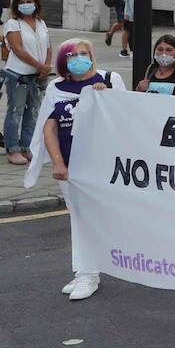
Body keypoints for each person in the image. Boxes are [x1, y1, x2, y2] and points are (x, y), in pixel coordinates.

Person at [43, 39, 125, 301]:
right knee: (79, 219)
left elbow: (126, 119)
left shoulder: (110, 80)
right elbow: (49, 128)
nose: (78, 58)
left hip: (102, 166)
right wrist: (58, 162)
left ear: (92, 56)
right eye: (72, 55)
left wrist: (106, 97)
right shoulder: (56, 88)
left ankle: (90, 272)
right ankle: (86, 273)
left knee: (94, 219)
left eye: (83, 53)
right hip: (71, 168)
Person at [2, 0, 51, 165]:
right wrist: (39, 65)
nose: (26, 4)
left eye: (30, 1)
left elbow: (48, 47)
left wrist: (45, 66)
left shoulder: (41, 23)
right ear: (17, 5)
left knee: (33, 112)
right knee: (16, 110)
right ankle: (12, 148)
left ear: (36, 3)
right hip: (19, 74)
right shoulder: (13, 24)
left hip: (38, 75)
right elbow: (17, 49)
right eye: (22, 1)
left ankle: (27, 146)